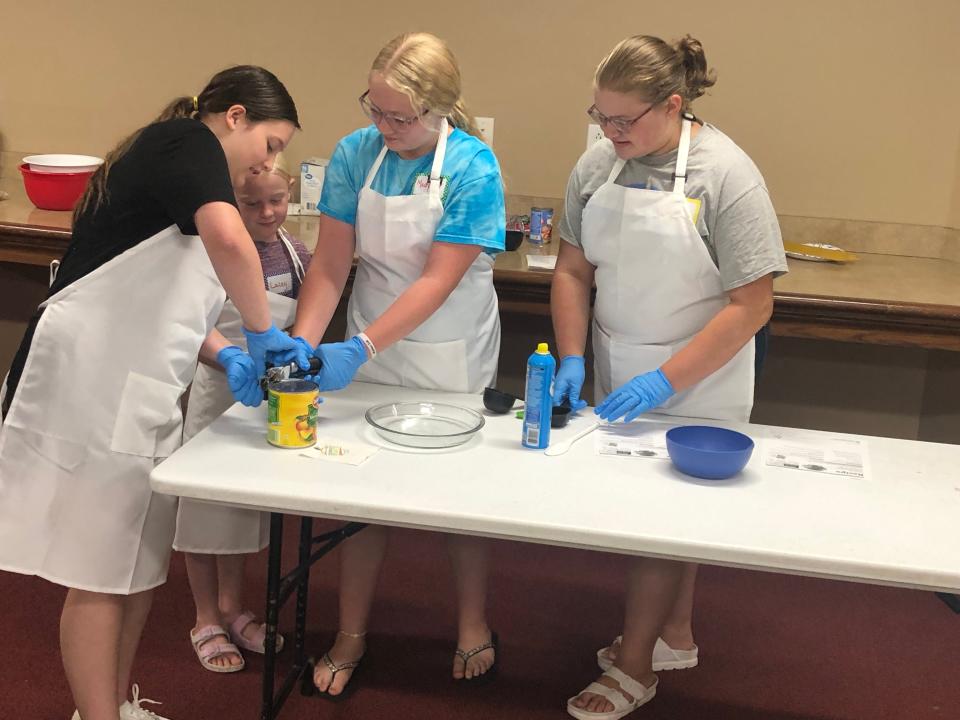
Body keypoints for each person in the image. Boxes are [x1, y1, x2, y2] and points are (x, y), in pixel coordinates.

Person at [0, 66, 308, 720]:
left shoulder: (191, 180)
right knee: (99, 572)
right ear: (233, 117)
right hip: (87, 386)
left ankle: (108, 706)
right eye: (271, 144)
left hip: (137, 388)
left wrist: (226, 352)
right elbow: (228, 241)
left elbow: (167, 305)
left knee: (136, 570)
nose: (269, 163)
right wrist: (261, 334)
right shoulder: (184, 143)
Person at [551, 36, 787, 720]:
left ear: (675, 105)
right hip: (617, 356)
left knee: (662, 517)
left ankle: (633, 672)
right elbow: (572, 269)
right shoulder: (598, 164)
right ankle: (672, 635)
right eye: (601, 116)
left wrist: (665, 382)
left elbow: (753, 303)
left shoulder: (726, 174)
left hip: (700, 372)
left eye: (625, 120)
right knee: (644, 514)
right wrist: (573, 355)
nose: (610, 132)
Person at [285, 32, 506, 696]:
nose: (384, 127)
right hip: (373, 333)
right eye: (374, 111)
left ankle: (473, 624)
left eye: (399, 118)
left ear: (441, 109)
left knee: (460, 497)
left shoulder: (474, 166)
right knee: (362, 493)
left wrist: (360, 348)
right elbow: (329, 264)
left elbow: (436, 282)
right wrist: (304, 341)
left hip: (450, 344)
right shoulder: (357, 154)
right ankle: (351, 632)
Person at [173, 161, 312, 673]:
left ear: (290, 193)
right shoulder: (211, 252)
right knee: (203, 506)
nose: (267, 212)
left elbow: (303, 314)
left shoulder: (296, 254)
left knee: (241, 508)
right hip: (215, 389)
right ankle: (205, 615)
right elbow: (188, 320)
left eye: (276, 200)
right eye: (252, 204)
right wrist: (229, 357)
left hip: (267, 398)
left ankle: (233, 607)